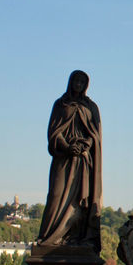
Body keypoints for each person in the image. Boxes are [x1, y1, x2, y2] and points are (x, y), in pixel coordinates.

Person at [37, 69, 102, 251]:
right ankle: (49, 237)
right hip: (63, 160)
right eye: (76, 81)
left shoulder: (91, 107)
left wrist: (86, 144)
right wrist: (66, 146)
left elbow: (96, 135)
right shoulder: (61, 104)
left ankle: (76, 237)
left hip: (83, 161)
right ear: (71, 82)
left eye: (82, 82)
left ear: (86, 85)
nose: (79, 85)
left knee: (81, 201)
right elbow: (53, 133)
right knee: (56, 195)